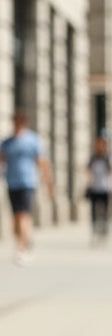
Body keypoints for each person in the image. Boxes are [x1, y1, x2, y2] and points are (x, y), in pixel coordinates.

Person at [0, 110, 54, 265]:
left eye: (19, 122)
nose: (17, 125)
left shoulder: (32, 140)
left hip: (27, 183)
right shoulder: (7, 142)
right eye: (14, 122)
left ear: (24, 123)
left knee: (23, 215)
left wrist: (48, 184)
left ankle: (22, 248)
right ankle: (25, 242)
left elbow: (43, 163)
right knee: (16, 217)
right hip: (11, 183)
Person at [85, 131, 112, 245]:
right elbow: (88, 171)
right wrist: (88, 184)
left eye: (102, 144)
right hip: (94, 188)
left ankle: (104, 231)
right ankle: (94, 232)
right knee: (94, 212)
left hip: (105, 188)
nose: (99, 146)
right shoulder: (93, 158)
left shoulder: (107, 158)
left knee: (104, 212)